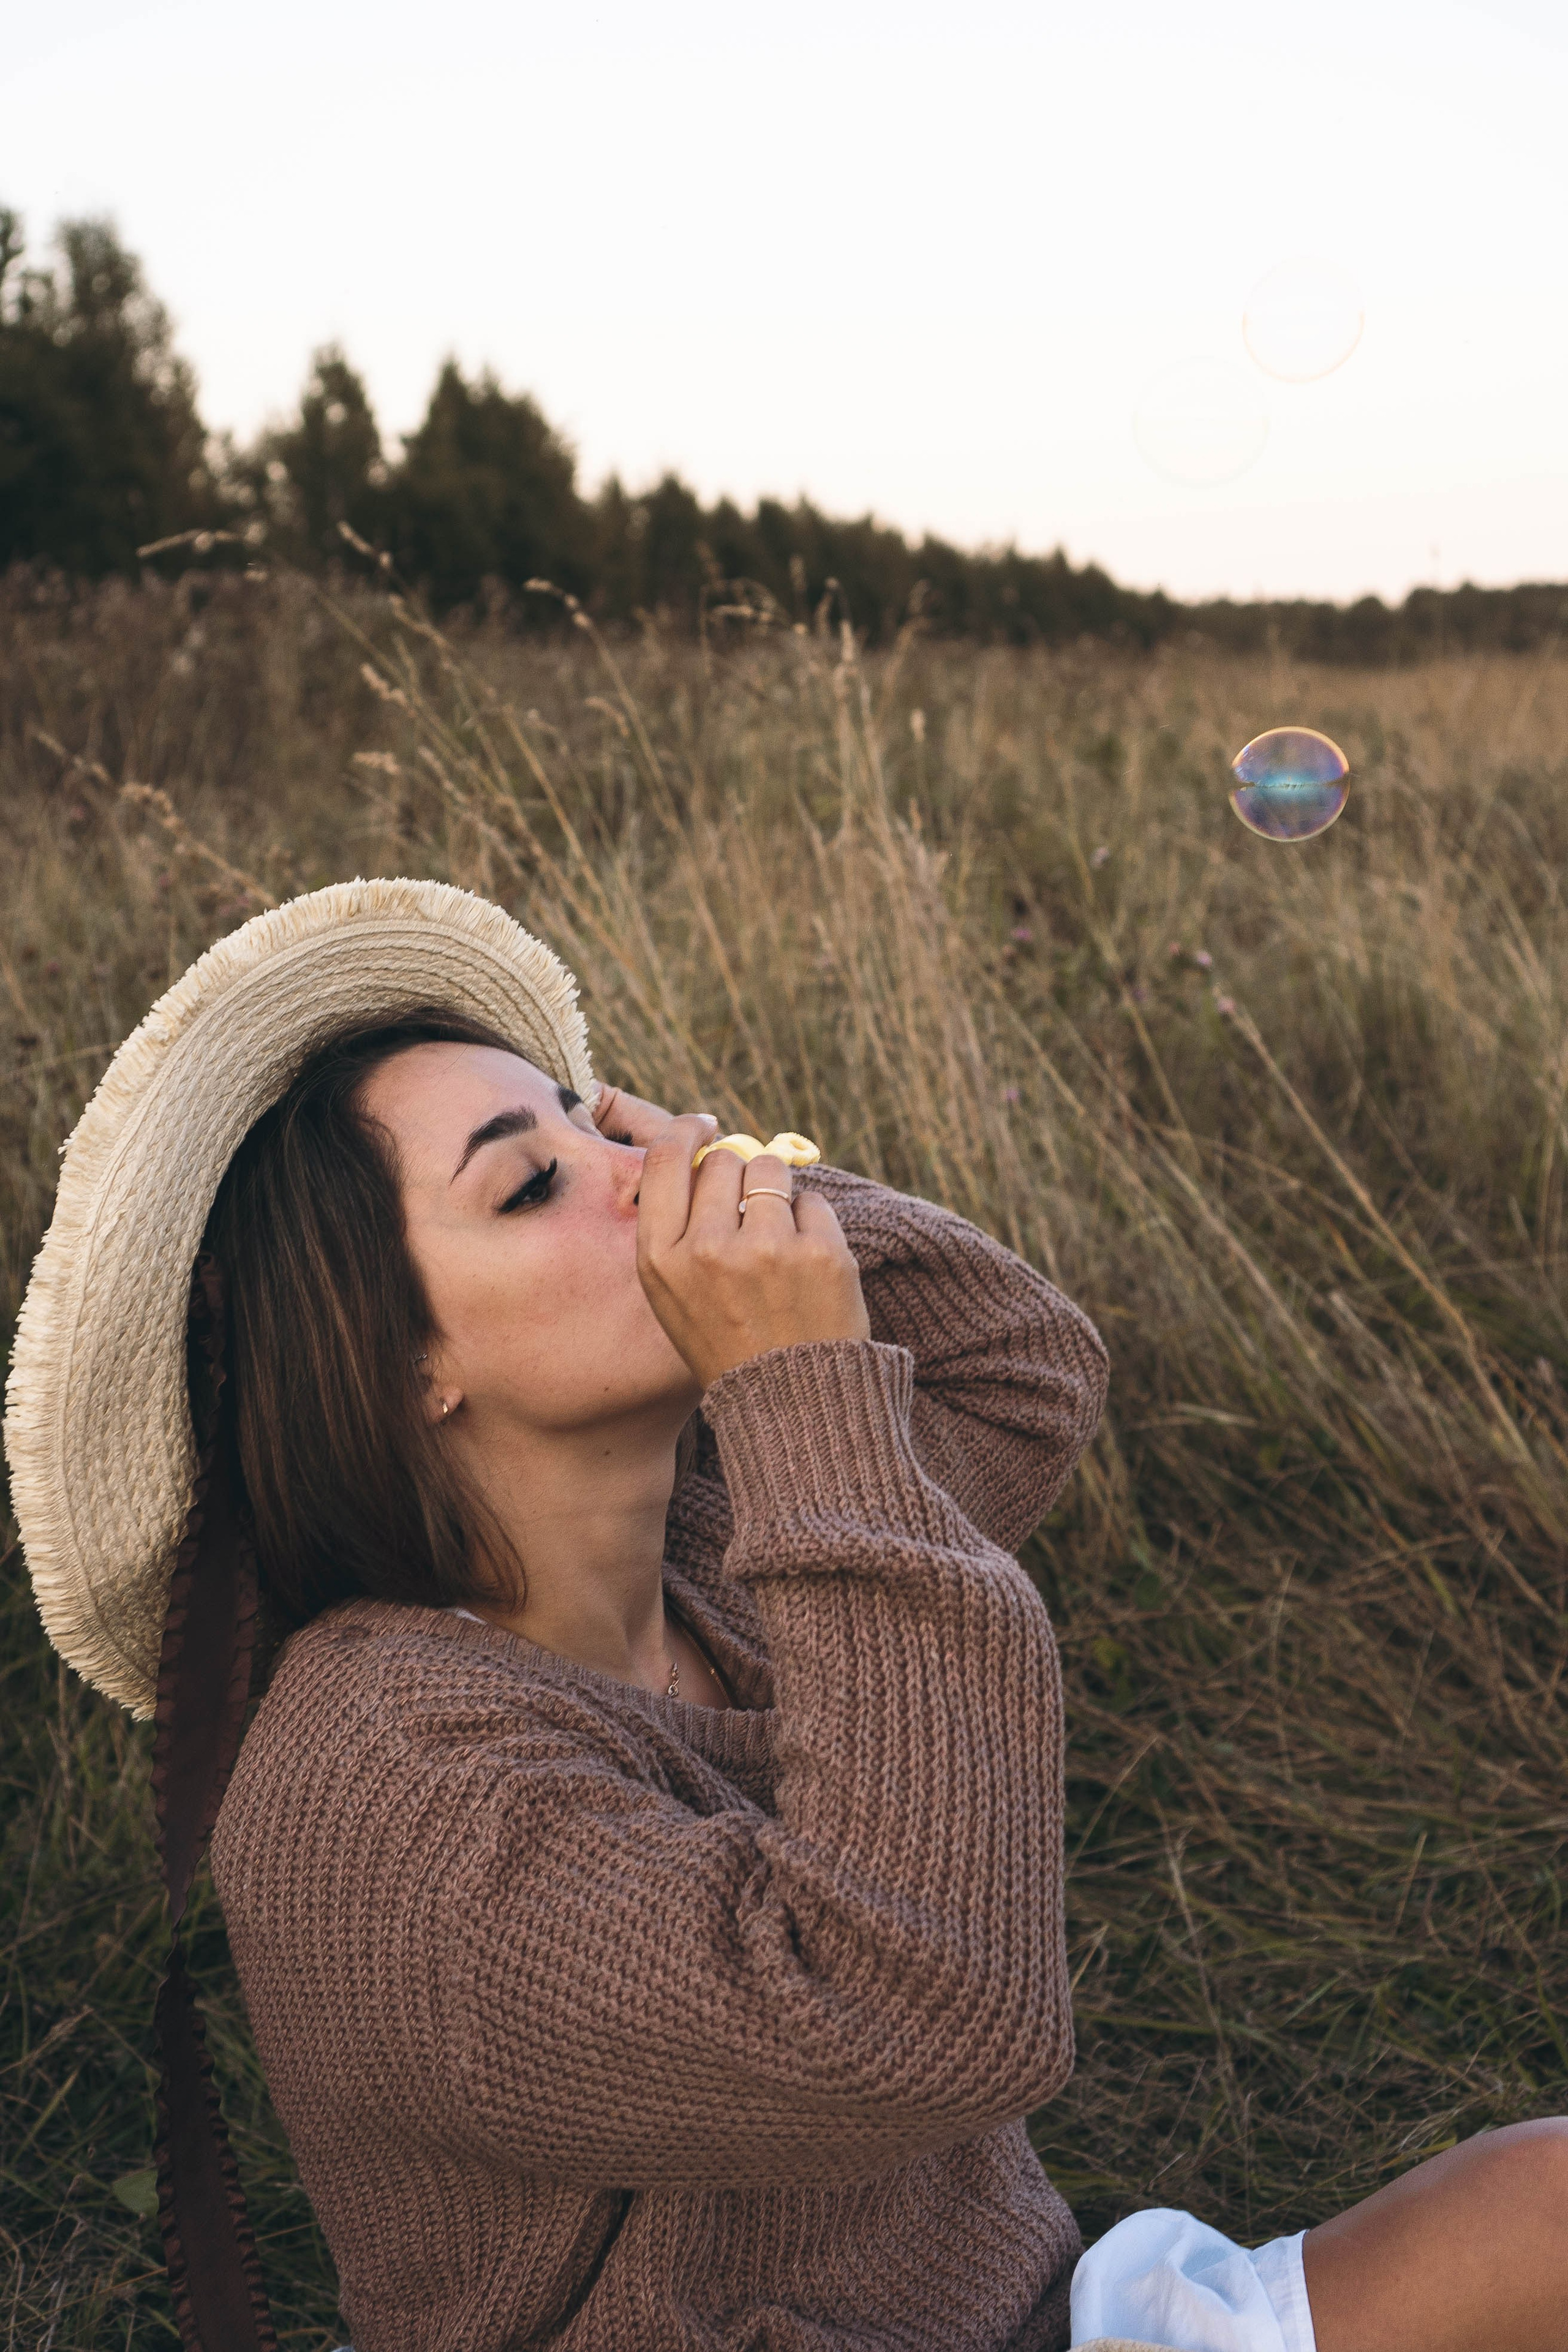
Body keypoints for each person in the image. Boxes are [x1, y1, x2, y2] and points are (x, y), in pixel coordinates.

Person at [4, 878, 1564, 2352]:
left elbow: (1013, 1368)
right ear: (404, 1368)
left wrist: (754, 1192)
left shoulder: (703, 1548)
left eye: (596, 1119)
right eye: (532, 1181)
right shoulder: (382, 1786)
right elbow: (931, 2016)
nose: (652, 1175)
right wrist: (794, 1377)